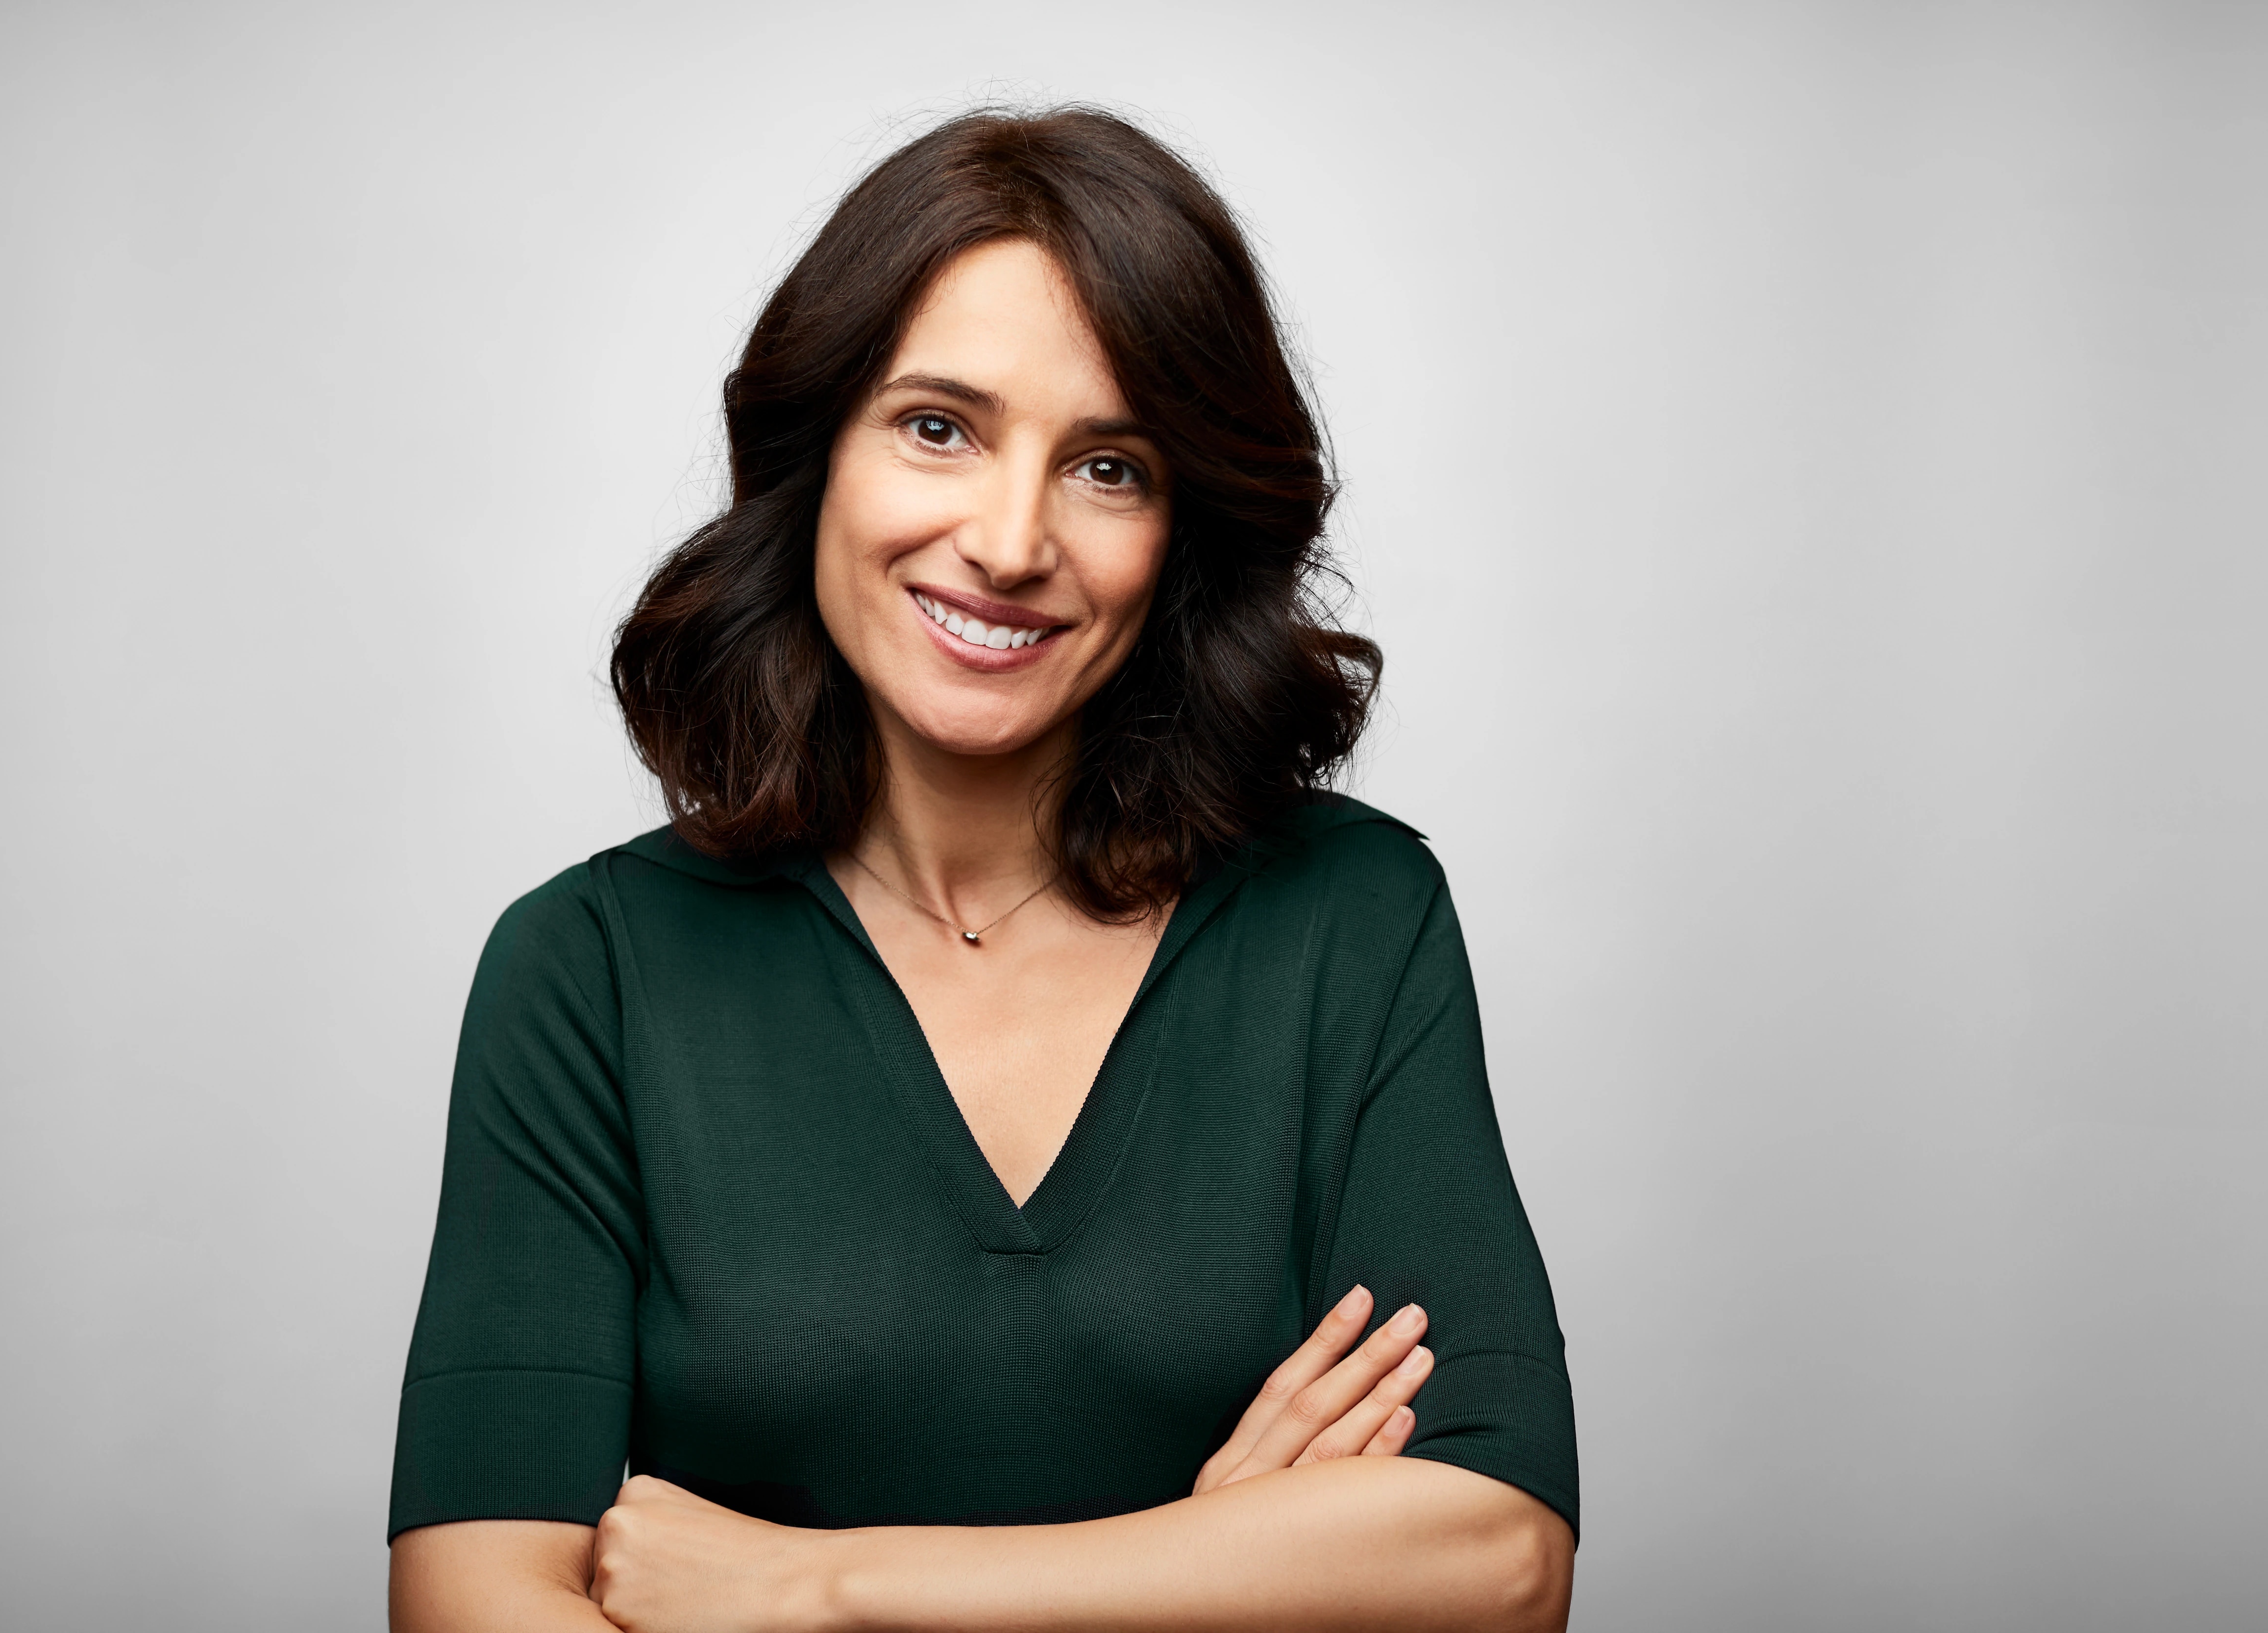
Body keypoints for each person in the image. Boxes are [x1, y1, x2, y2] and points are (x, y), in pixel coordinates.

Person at [387, 106, 1578, 1633]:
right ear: (817, 452)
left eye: (1109, 467)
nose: (1011, 542)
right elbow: (472, 1609)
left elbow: (1500, 1567)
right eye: (938, 427)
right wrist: (1210, 1575)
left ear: (1185, 529)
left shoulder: (1349, 923)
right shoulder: (590, 971)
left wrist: (820, 1589)